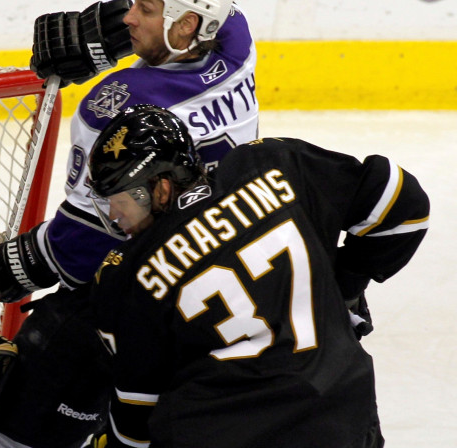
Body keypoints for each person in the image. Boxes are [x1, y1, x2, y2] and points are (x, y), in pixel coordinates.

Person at [0, 1, 259, 447]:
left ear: (187, 24)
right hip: (222, 288)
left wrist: (22, 261)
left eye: (143, 8)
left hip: (137, 293)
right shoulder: (238, 52)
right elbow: (226, 16)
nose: (126, 17)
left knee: (36, 394)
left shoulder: (115, 105)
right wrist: (121, 36)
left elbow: (87, 243)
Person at [85, 104, 430, 447]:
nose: (114, 214)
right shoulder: (271, 164)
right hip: (342, 418)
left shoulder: (126, 274)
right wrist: (346, 286)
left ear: (160, 189)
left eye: (120, 198)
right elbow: (404, 204)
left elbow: (135, 423)